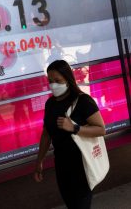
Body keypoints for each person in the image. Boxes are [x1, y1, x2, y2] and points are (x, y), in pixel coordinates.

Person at [34, 60, 106, 209]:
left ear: (68, 79)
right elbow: (46, 134)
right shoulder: (50, 104)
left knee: (80, 205)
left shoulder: (83, 101)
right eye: (50, 81)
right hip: (61, 164)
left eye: (58, 80)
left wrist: (75, 128)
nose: (53, 85)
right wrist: (39, 160)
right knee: (71, 204)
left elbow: (101, 129)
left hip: (82, 164)